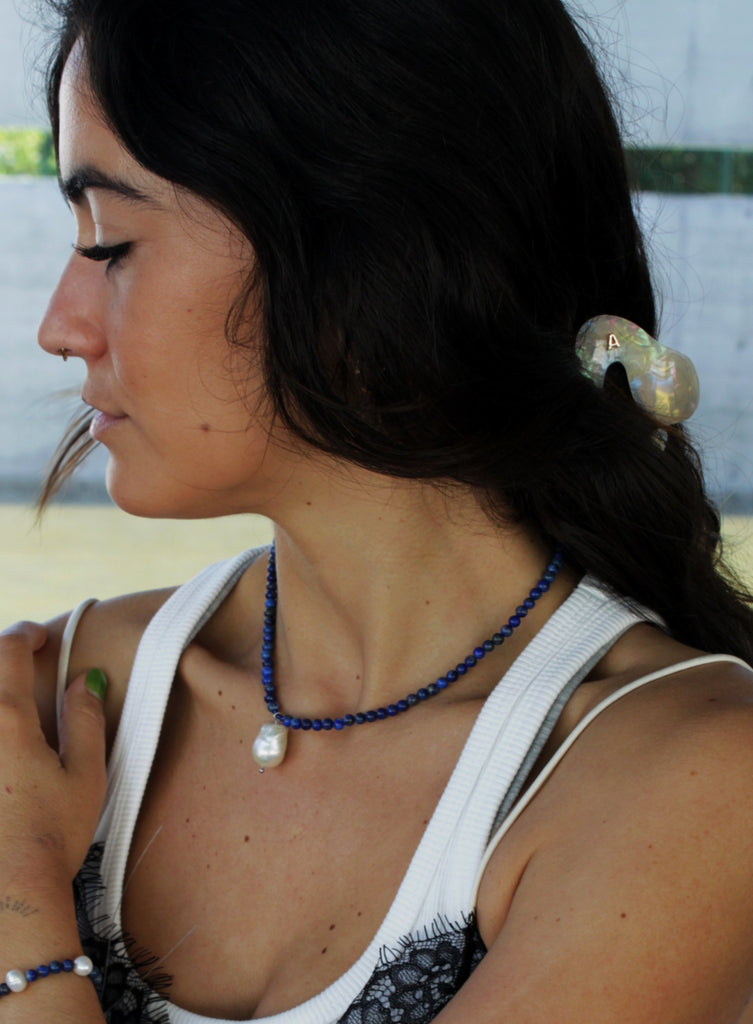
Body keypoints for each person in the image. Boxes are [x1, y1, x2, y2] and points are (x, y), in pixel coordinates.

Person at [2, 0, 753, 1020]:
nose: (60, 325)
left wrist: (24, 918)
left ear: (370, 259)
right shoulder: (52, 705)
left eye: (111, 239)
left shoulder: (688, 783)